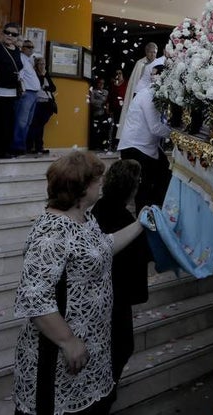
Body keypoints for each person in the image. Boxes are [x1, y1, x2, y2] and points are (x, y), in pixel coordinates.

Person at [12, 151, 150, 415]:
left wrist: (139, 225)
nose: (101, 185)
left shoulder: (85, 218)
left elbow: (103, 246)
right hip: (57, 358)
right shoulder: (51, 233)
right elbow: (34, 297)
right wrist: (67, 341)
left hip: (91, 349)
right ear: (81, 188)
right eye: (97, 181)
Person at [91, 158, 153, 408]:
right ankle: (104, 393)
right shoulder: (124, 219)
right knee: (121, 344)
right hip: (114, 294)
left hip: (106, 292)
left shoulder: (99, 208)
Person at [117, 56, 171, 210]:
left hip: (144, 146)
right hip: (136, 147)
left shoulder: (154, 94)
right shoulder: (148, 95)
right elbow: (155, 127)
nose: (153, 77)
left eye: (156, 74)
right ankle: (145, 219)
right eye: (152, 74)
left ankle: (155, 211)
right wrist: (174, 134)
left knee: (163, 173)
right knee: (144, 187)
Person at [0, 23, 25, 157]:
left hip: (12, 92)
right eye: (7, 32)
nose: (9, 36)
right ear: (2, 33)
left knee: (8, 123)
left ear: (17, 37)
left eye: (13, 34)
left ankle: (4, 150)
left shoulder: (17, 50)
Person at [118, 41, 159, 134]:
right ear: (146, 52)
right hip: (140, 95)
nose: (153, 54)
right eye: (150, 52)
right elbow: (135, 82)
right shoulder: (140, 64)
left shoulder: (158, 63)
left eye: (155, 52)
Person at [14, 39, 43, 156]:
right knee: (21, 121)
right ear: (22, 48)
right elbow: (19, 76)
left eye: (32, 47)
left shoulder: (29, 61)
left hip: (33, 94)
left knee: (27, 122)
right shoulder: (21, 58)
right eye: (28, 47)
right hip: (27, 93)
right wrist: (23, 90)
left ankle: (22, 146)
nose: (31, 49)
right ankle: (17, 147)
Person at [26, 55, 58, 155]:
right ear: (36, 65)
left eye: (43, 64)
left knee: (40, 125)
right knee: (34, 125)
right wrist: (43, 78)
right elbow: (38, 85)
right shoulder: (35, 74)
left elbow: (53, 88)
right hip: (38, 102)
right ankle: (31, 146)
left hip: (47, 103)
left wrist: (46, 85)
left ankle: (39, 147)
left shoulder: (46, 74)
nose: (42, 66)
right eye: (40, 64)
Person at [89, 76, 111, 151]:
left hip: (106, 113)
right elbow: (92, 102)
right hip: (97, 113)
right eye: (100, 83)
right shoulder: (94, 91)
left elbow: (109, 101)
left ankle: (104, 146)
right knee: (96, 130)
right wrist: (102, 102)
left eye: (103, 83)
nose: (101, 84)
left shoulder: (106, 92)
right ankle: (96, 145)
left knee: (105, 130)